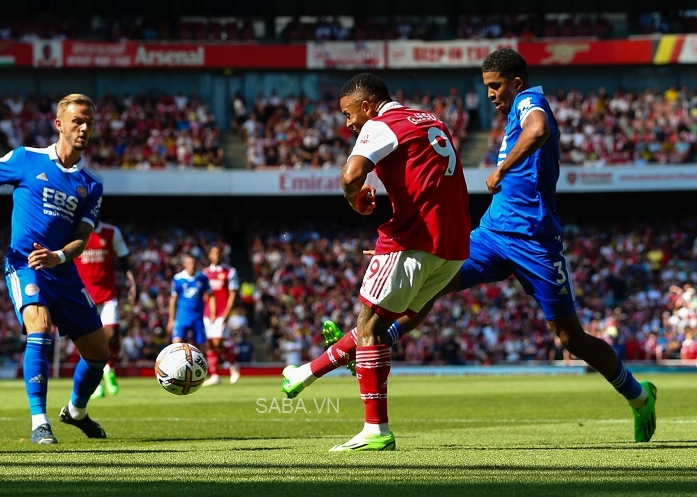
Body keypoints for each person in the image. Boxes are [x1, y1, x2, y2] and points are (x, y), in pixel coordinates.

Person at [282, 48, 658, 444]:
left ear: (516, 82)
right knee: (423, 289)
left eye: (495, 86)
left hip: (535, 240)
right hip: (492, 233)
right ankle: (358, 354)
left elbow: (538, 130)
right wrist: (406, 252)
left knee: (570, 337)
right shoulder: (496, 116)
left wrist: (501, 168)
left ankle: (638, 394)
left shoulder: (529, 101)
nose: (490, 94)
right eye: (487, 87)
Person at [283, 72, 471, 452]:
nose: (348, 123)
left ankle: (376, 430)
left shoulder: (381, 124)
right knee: (378, 326)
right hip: (453, 246)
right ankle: (304, 374)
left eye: (348, 114)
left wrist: (354, 199)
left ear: (368, 106)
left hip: (413, 238)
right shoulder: (431, 120)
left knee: (368, 327)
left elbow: (351, 175)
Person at [0, 93, 110, 445]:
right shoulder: (26, 158)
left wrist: (58, 256)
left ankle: (76, 412)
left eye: (89, 122)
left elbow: (81, 241)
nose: (84, 128)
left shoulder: (92, 185)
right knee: (40, 327)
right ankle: (39, 422)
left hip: (62, 270)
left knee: (99, 355)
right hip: (24, 264)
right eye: (77, 121)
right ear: (59, 124)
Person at [73, 217, 137, 399]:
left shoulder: (111, 232)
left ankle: (109, 369)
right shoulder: (74, 231)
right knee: (87, 342)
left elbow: (124, 260)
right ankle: (96, 383)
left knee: (112, 335)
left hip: (107, 296)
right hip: (82, 297)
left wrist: (133, 282)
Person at [202, 244, 241, 386]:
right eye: (213, 252)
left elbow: (233, 294)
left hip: (222, 312)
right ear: (209, 255)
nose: (216, 255)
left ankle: (233, 364)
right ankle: (215, 375)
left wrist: (227, 312)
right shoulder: (205, 273)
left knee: (218, 341)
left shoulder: (230, 271)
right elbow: (205, 295)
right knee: (209, 343)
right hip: (208, 313)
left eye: (218, 252)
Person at [168, 254, 214, 354]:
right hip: (182, 317)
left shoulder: (203, 278)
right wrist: (171, 320)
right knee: (176, 344)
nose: (192, 265)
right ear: (184, 264)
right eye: (189, 263)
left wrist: (212, 313)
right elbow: (173, 300)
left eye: (193, 263)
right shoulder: (178, 278)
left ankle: (202, 364)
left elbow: (211, 296)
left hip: (197, 317)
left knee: (201, 346)